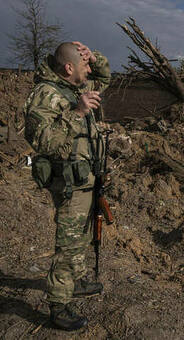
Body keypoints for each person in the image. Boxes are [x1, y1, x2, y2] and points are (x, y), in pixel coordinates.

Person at [24, 41, 111, 331]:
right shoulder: (45, 95)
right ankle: (59, 306)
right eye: (85, 64)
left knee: (82, 237)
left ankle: (76, 280)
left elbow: (107, 77)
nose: (90, 69)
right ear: (68, 68)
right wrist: (77, 113)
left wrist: (94, 55)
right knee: (68, 244)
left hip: (87, 179)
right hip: (69, 182)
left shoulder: (75, 88)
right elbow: (45, 142)